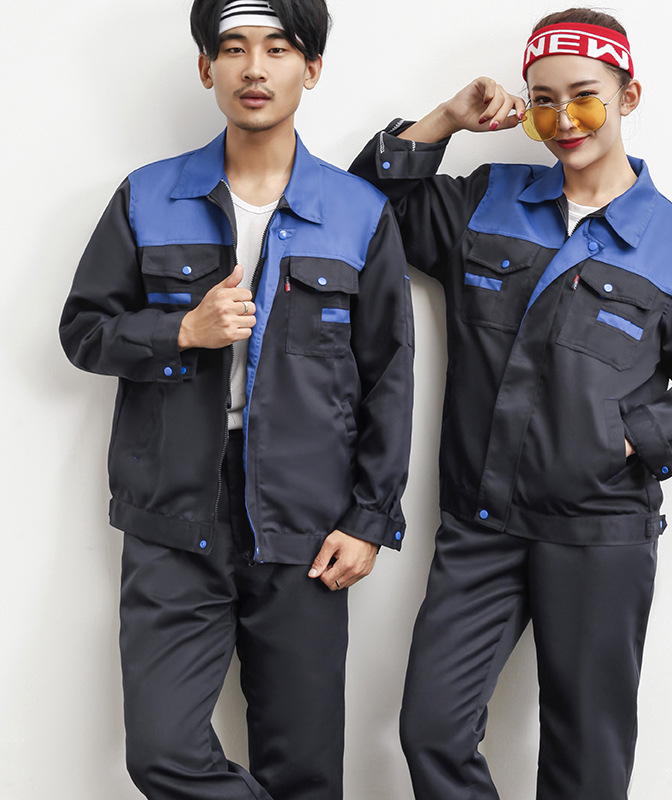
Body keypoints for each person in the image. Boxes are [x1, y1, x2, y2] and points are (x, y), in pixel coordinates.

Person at [350, 7, 672, 799]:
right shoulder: (487, 200)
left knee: (585, 752)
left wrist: (621, 441)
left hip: (599, 530)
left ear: (629, 96)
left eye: (586, 98)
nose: (565, 121)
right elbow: (366, 206)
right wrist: (447, 118)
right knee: (431, 730)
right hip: (480, 526)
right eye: (542, 102)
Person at [60, 1, 414, 798]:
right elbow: (83, 332)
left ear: (310, 70)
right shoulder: (148, 196)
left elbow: (389, 377)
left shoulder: (358, 213)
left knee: (304, 769)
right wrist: (182, 330)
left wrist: (369, 519)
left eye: (279, 49)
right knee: (162, 753)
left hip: (307, 518)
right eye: (233, 49)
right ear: (206, 68)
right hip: (172, 511)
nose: (255, 68)